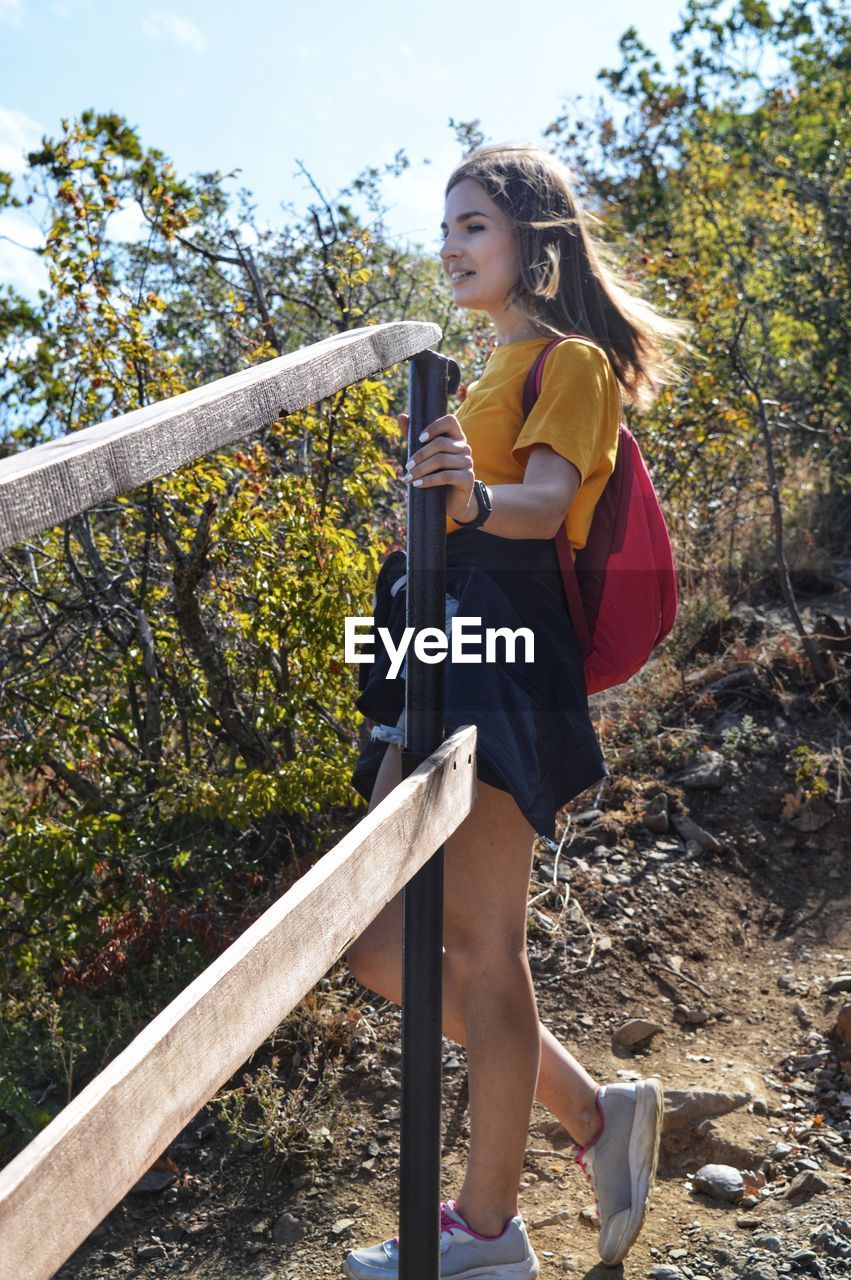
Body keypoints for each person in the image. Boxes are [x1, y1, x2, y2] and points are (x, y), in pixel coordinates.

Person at [344, 142, 689, 1279]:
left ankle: (483, 1233)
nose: (448, 246)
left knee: (481, 949)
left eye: (472, 225)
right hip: (429, 650)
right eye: (444, 227)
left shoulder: (568, 362)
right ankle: (593, 1114)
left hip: (501, 663)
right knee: (380, 944)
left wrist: (469, 493)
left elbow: (541, 507)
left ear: (533, 241)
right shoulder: (469, 372)